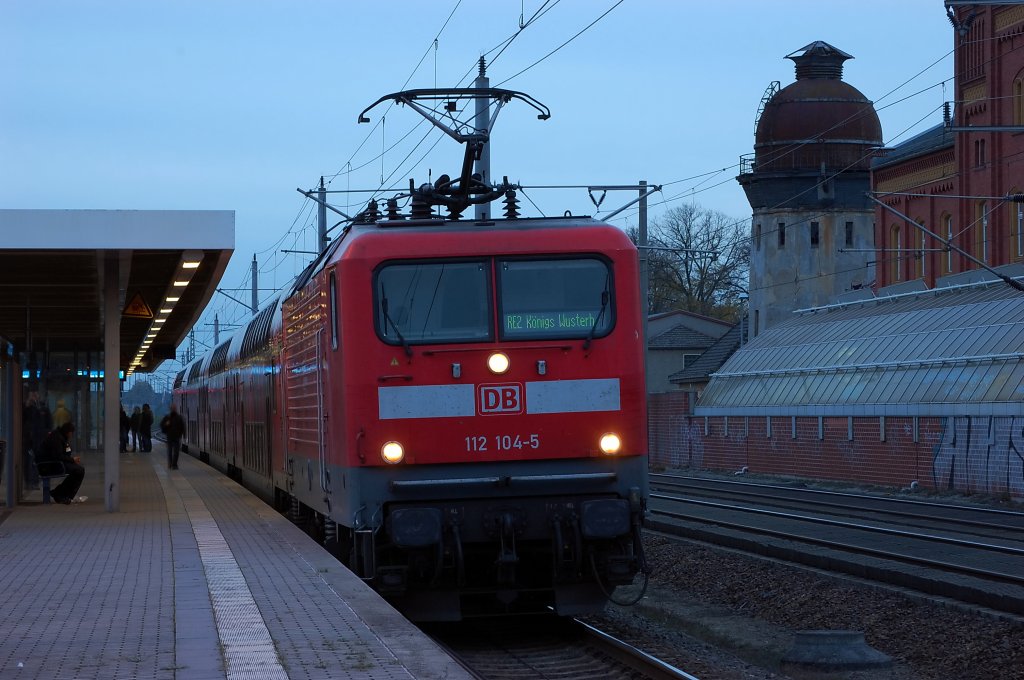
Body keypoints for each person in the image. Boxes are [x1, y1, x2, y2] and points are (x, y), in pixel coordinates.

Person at [36, 422, 84, 505]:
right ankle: (61, 494)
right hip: (49, 465)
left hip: (53, 463)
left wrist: (71, 457)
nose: (71, 436)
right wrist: (72, 459)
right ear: (69, 432)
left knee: (78, 470)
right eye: (71, 434)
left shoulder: (59, 436)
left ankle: (60, 493)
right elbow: (58, 455)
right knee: (78, 471)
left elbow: (64, 453)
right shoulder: (57, 438)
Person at [159, 403, 186, 470]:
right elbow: (162, 425)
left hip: (177, 437)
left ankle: (174, 464)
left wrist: (184, 435)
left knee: (176, 452)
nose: (173, 409)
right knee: (170, 451)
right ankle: (170, 464)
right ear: (170, 409)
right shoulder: (167, 417)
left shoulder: (179, 417)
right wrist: (166, 425)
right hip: (170, 437)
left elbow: (183, 427)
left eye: (174, 408)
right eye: (172, 408)